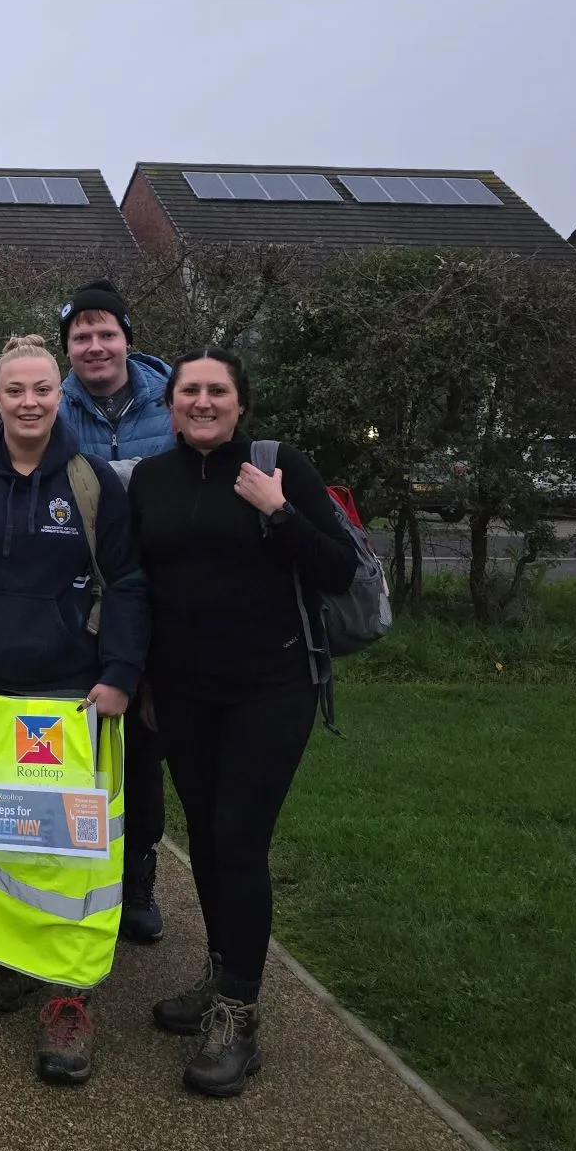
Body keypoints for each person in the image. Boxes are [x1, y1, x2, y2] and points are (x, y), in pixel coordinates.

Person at [0, 334, 149, 1085]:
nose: (31, 402)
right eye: (16, 390)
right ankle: (11, 957)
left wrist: (120, 673)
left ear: (59, 390)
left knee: (70, 851)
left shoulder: (91, 478)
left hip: (69, 700)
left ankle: (68, 998)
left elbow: (130, 580)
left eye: (43, 388)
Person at [129, 346, 358, 1097]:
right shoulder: (153, 481)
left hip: (270, 688)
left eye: (216, 390)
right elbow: (142, 587)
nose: (201, 401)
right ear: (171, 404)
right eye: (188, 390)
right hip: (184, 693)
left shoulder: (276, 464)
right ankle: (221, 973)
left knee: (239, 838)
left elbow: (340, 567)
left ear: (240, 403)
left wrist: (278, 509)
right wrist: (145, 679)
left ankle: (239, 1015)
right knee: (203, 836)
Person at [55, 279, 174, 945]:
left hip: (157, 597)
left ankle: (138, 878)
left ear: (128, 338)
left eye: (107, 334)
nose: (95, 346)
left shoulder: (172, 399)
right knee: (81, 742)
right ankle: (79, 870)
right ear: (67, 348)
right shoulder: (55, 404)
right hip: (76, 601)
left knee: (142, 749)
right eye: (82, 337)